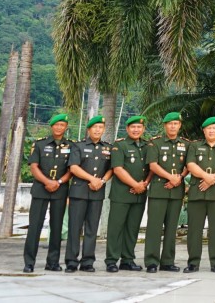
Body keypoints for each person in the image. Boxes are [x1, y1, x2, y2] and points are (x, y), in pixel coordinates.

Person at [23, 113, 73, 273]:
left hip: (60, 189)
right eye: (56, 125)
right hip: (41, 189)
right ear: (51, 126)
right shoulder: (39, 144)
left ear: (66, 127)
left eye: (62, 125)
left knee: (57, 227)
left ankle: (53, 262)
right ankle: (29, 262)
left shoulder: (71, 146)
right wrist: (47, 182)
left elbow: (72, 169)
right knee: (35, 227)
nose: (59, 127)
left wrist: (58, 182)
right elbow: (33, 166)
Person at [65, 115, 113, 273]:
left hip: (97, 192)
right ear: (89, 129)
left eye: (101, 128)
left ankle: (88, 261)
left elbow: (110, 169)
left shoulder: (107, 148)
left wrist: (102, 181)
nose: (98, 130)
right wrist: (92, 179)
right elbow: (74, 167)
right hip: (79, 192)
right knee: (75, 228)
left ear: (103, 130)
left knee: (92, 228)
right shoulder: (78, 146)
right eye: (95, 127)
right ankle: (71, 261)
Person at [185, 116, 215, 273]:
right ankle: (193, 262)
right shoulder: (195, 146)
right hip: (197, 192)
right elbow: (191, 165)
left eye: (214, 128)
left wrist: (212, 179)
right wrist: (206, 177)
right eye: (208, 128)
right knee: (194, 229)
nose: (211, 131)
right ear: (204, 130)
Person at [105, 115, 151, 273]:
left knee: (132, 228)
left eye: (139, 127)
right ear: (127, 129)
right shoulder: (120, 145)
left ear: (143, 129)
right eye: (133, 127)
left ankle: (128, 259)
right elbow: (117, 169)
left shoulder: (147, 146)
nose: (136, 130)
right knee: (115, 228)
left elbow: (151, 167)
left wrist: (144, 184)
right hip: (122, 194)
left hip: (139, 194)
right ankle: (111, 260)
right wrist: (135, 185)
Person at [144, 111, 189, 273]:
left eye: (176, 123)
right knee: (154, 227)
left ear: (179, 126)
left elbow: (188, 165)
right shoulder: (154, 143)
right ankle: (151, 261)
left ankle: (168, 261)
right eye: (170, 124)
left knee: (172, 228)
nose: (173, 126)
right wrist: (171, 177)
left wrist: (180, 177)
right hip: (158, 190)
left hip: (176, 191)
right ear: (165, 126)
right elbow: (153, 166)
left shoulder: (186, 144)